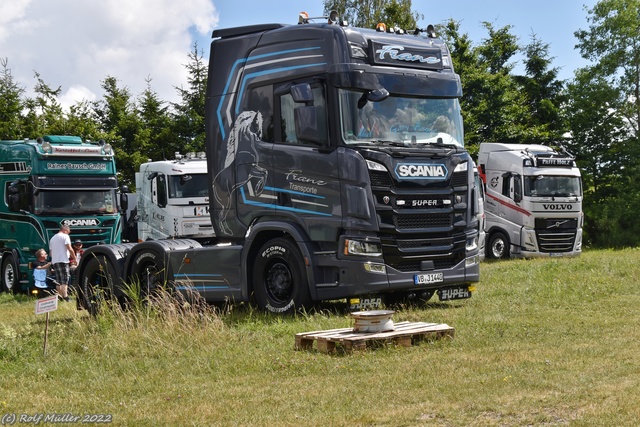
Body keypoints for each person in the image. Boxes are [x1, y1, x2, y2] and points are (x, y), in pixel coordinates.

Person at [49, 224, 77, 301]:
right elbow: (70, 248)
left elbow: (51, 252)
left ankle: (60, 295)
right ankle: (65, 296)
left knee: (58, 279)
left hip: (55, 261)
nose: (68, 233)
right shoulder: (65, 236)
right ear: (65, 230)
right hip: (63, 260)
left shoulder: (52, 238)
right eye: (68, 232)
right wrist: (74, 258)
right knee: (65, 278)